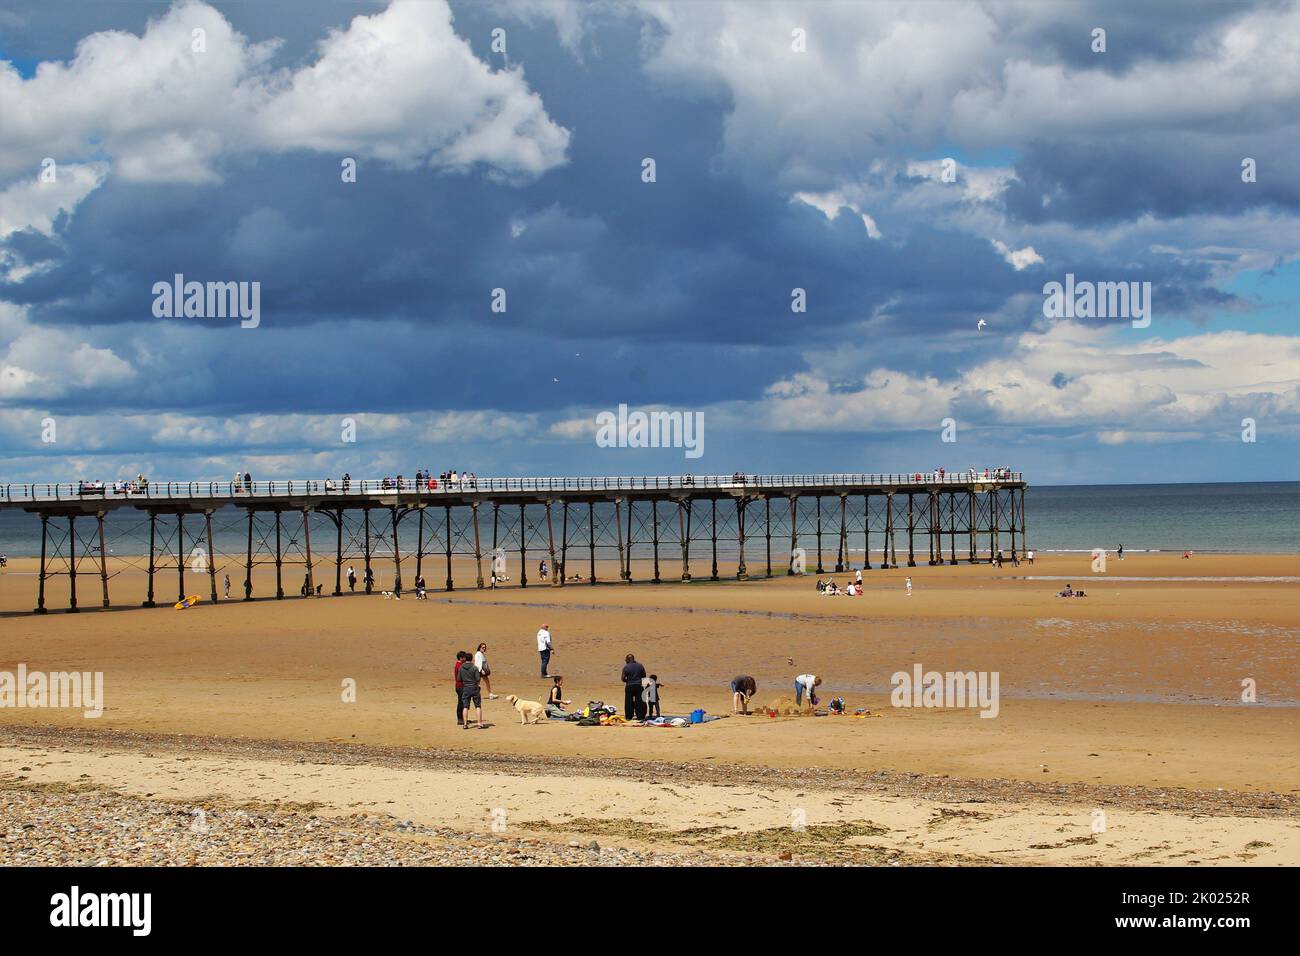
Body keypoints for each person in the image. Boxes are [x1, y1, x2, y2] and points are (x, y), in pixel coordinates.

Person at [459, 655, 484, 730]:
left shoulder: (461, 668)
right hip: (474, 688)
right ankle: (479, 723)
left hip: (466, 688)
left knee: (465, 707)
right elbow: (478, 678)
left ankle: (465, 724)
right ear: (472, 659)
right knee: (478, 706)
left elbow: (459, 678)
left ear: (465, 659)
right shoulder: (474, 667)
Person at [621, 654, 647, 720]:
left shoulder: (626, 667)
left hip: (629, 686)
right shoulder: (640, 666)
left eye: (626, 659)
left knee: (628, 701)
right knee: (639, 702)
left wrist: (628, 681)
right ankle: (640, 716)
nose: (625, 661)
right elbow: (644, 676)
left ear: (628, 659)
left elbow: (623, 678)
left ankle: (629, 716)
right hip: (639, 685)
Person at [454, 651, 469, 724]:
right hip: (460, 686)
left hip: (460, 686)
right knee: (461, 702)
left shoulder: (460, 665)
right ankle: (460, 719)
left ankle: (463, 718)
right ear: (461, 658)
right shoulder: (459, 666)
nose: (465, 659)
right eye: (464, 657)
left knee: (463, 702)